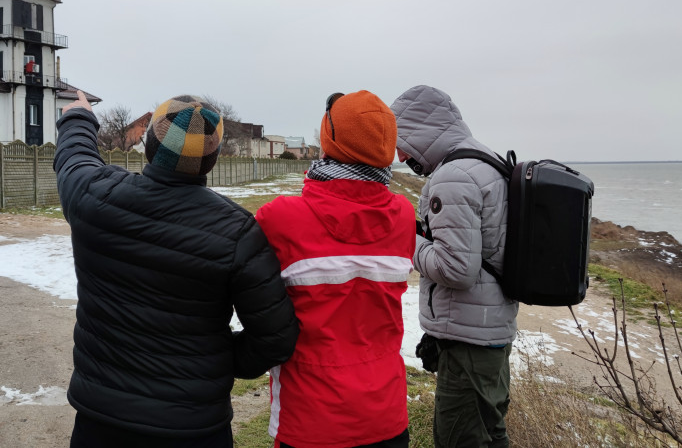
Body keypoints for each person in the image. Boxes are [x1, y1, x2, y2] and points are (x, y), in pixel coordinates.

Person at [54, 91, 300, 447]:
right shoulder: (237, 232)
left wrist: (78, 117)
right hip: (195, 426)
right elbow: (275, 338)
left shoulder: (95, 195)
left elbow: (74, 159)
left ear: (151, 146)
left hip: (101, 420)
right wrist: (220, 360)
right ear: (211, 160)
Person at [255, 90, 416, 448]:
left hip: (311, 419)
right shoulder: (404, 216)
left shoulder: (280, 219)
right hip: (386, 414)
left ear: (329, 139)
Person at [390, 85, 518, 448]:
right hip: (488, 330)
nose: (400, 156)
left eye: (402, 142)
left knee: (459, 440)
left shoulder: (454, 176)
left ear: (420, 131)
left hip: (469, 344)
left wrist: (407, 241)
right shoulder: (485, 160)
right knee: (490, 435)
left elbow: (455, 268)